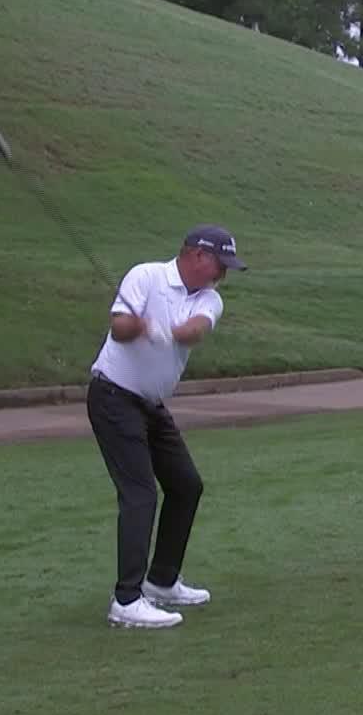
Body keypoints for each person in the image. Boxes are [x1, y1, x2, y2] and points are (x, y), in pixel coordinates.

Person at [86, 224, 247, 628]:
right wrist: (139, 326)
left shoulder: (209, 298)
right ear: (196, 255)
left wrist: (168, 333)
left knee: (186, 485)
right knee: (140, 495)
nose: (221, 275)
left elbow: (196, 331)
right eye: (218, 265)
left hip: (150, 405)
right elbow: (118, 328)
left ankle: (161, 581)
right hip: (113, 397)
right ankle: (126, 600)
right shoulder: (146, 276)